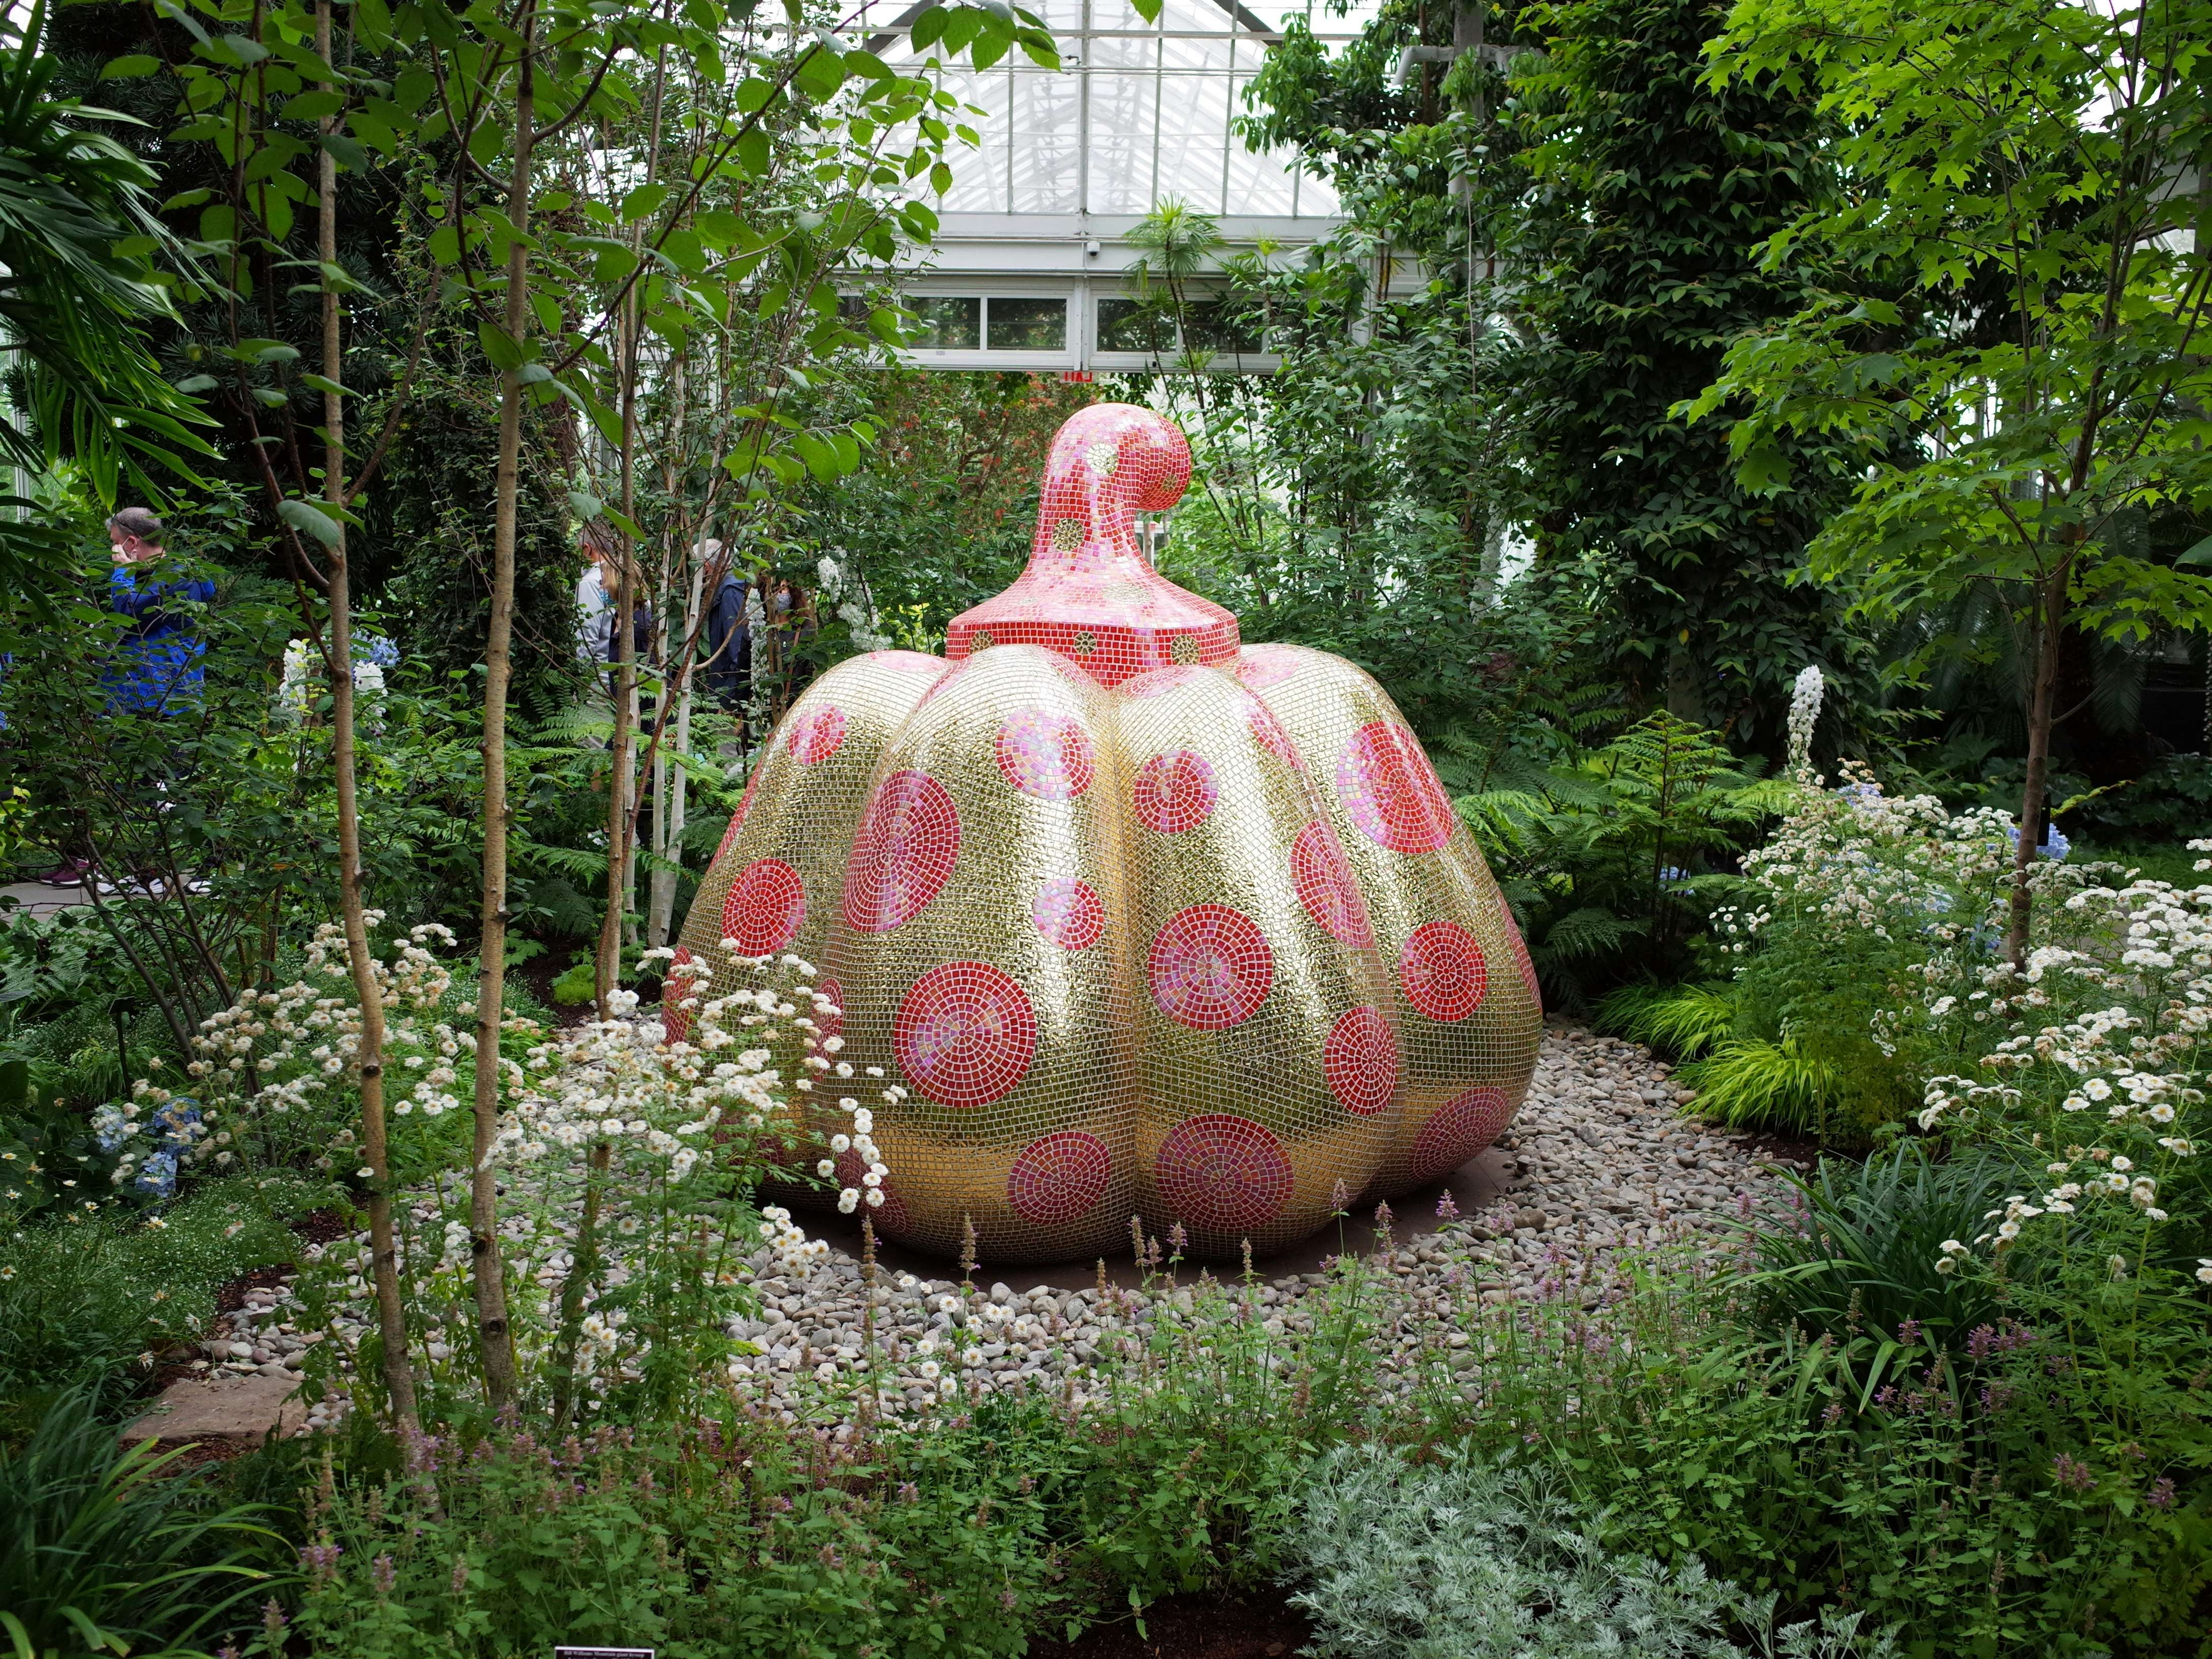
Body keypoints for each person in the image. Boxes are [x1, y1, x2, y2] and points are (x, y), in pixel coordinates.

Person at [37, 509, 214, 887]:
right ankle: (147, 871)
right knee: (141, 786)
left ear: (132, 543)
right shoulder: (181, 574)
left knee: (171, 784)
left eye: (115, 543)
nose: (112, 550)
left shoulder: (175, 576)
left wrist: (121, 571)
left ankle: (202, 869)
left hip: (156, 696)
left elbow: (129, 611)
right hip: (153, 695)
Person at [698, 540, 752, 712]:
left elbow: (738, 649)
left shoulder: (730, 593)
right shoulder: (725, 589)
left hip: (730, 693)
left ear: (706, 567)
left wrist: (731, 699)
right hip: (725, 687)